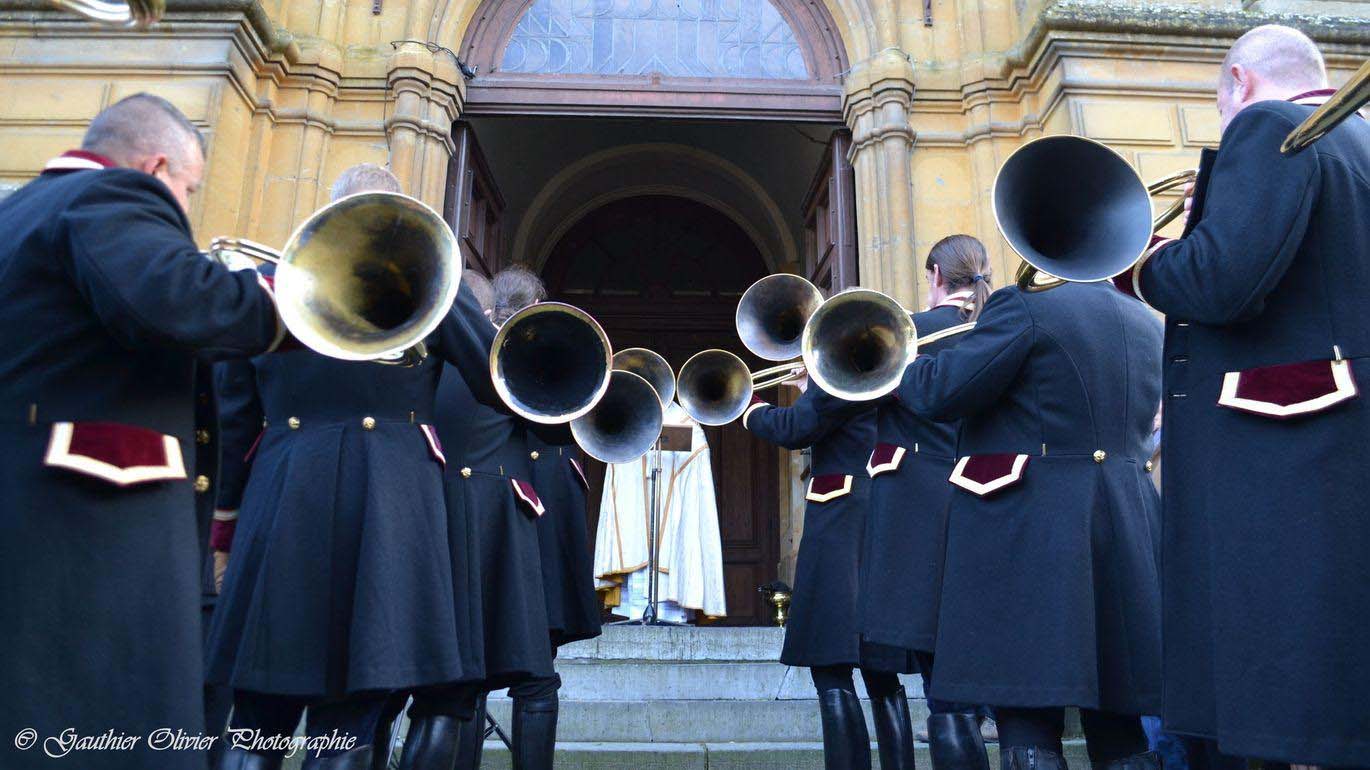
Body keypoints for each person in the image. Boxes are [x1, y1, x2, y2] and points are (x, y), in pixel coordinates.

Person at [0, 93, 283, 770]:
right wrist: (292, 294)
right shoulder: (113, 196)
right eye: (188, 190)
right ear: (157, 169)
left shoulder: (15, 212)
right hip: (94, 534)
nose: (185, 209)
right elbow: (178, 300)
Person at [1123, 24, 1370, 768]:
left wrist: (1147, 265)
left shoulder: (1267, 125)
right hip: (1333, 447)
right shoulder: (1355, 138)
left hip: (1276, 455)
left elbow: (1221, 280)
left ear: (1240, 81)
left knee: (1266, 684)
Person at [205, 164, 494, 770]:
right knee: (351, 716)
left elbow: (234, 420)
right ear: (399, 216)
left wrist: (225, 528)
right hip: (392, 500)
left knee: (256, 714)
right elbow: (496, 382)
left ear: (328, 212)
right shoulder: (433, 280)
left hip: (283, 493)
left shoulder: (264, 282)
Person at [898, 278, 1164, 770]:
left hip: (1032, 528)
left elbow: (937, 392)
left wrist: (901, 356)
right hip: (1127, 526)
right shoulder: (1145, 318)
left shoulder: (1020, 305)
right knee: (1118, 715)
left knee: (1025, 711)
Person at [861, 235, 994, 770]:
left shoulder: (908, 333)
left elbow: (834, 402)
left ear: (935, 272)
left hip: (924, 507)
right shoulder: (1002, 326)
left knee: (944, 673)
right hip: (993, 500)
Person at [743, 366, 918, 770]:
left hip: (839, 513)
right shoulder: (885, 366)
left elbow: (794, 428)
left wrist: (748, 405)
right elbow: (834, 414)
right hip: (880, 507)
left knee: (830, 664)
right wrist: (812, 388)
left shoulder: (841, 370)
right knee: (880, 669)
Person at [437, 266, 567, 770]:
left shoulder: (423, 358)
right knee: (535, 676)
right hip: (503, 525)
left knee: (458, 678)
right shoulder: (503, 359)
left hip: (436, 521)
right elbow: (556, 432)